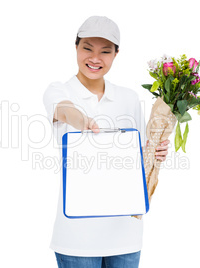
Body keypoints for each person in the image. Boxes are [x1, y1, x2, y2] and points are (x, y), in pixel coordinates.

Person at [43, 16, 170, 268]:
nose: (94, 58)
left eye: (105, 51)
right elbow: (65, 110)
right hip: (76, 237)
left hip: (126, 234)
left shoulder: (128, 97)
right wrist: (83, 121)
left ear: (116, 54)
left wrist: (157, 151)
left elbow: (140, 154)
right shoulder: (59, 90)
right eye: (87, 48)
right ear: (76, 47)